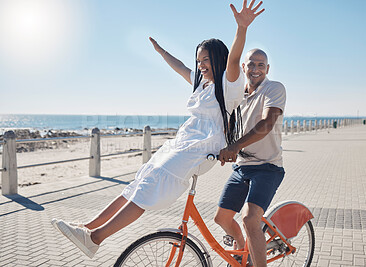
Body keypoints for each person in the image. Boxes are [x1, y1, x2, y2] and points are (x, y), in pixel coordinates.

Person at [51, 0, 264, 259]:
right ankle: (87, 229)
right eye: (199, 61)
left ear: (218, 59)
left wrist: (241, 28)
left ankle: (96, 238)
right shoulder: (203, 85)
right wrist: (161, 52)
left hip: (203, 146)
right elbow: (180, 68)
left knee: (151, 187)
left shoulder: (229, 83)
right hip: (184, 141)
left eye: (206, 60)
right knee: (142, 179)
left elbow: (235, 58)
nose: (201, 66)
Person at [214, 48, 286, 267]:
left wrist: (234, 147)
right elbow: (226, 126)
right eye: (251, 64)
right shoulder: (236, 95)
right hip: (242, 166)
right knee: (222, 218)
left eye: (261, 65)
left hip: (268, 167)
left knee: (249, 218)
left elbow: (266, 124)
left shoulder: (274, 88)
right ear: (243, 67)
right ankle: (242, 251)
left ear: (267, 69)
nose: (255, 69)